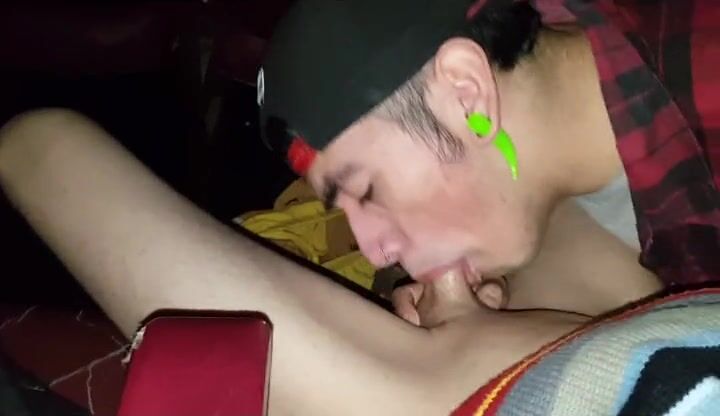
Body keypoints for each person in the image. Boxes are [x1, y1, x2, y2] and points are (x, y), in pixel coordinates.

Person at [1, 0, 720, 414]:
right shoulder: (557, 184)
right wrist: (481, 325)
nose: (375, 248)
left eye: (367, 190)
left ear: (465, 91)